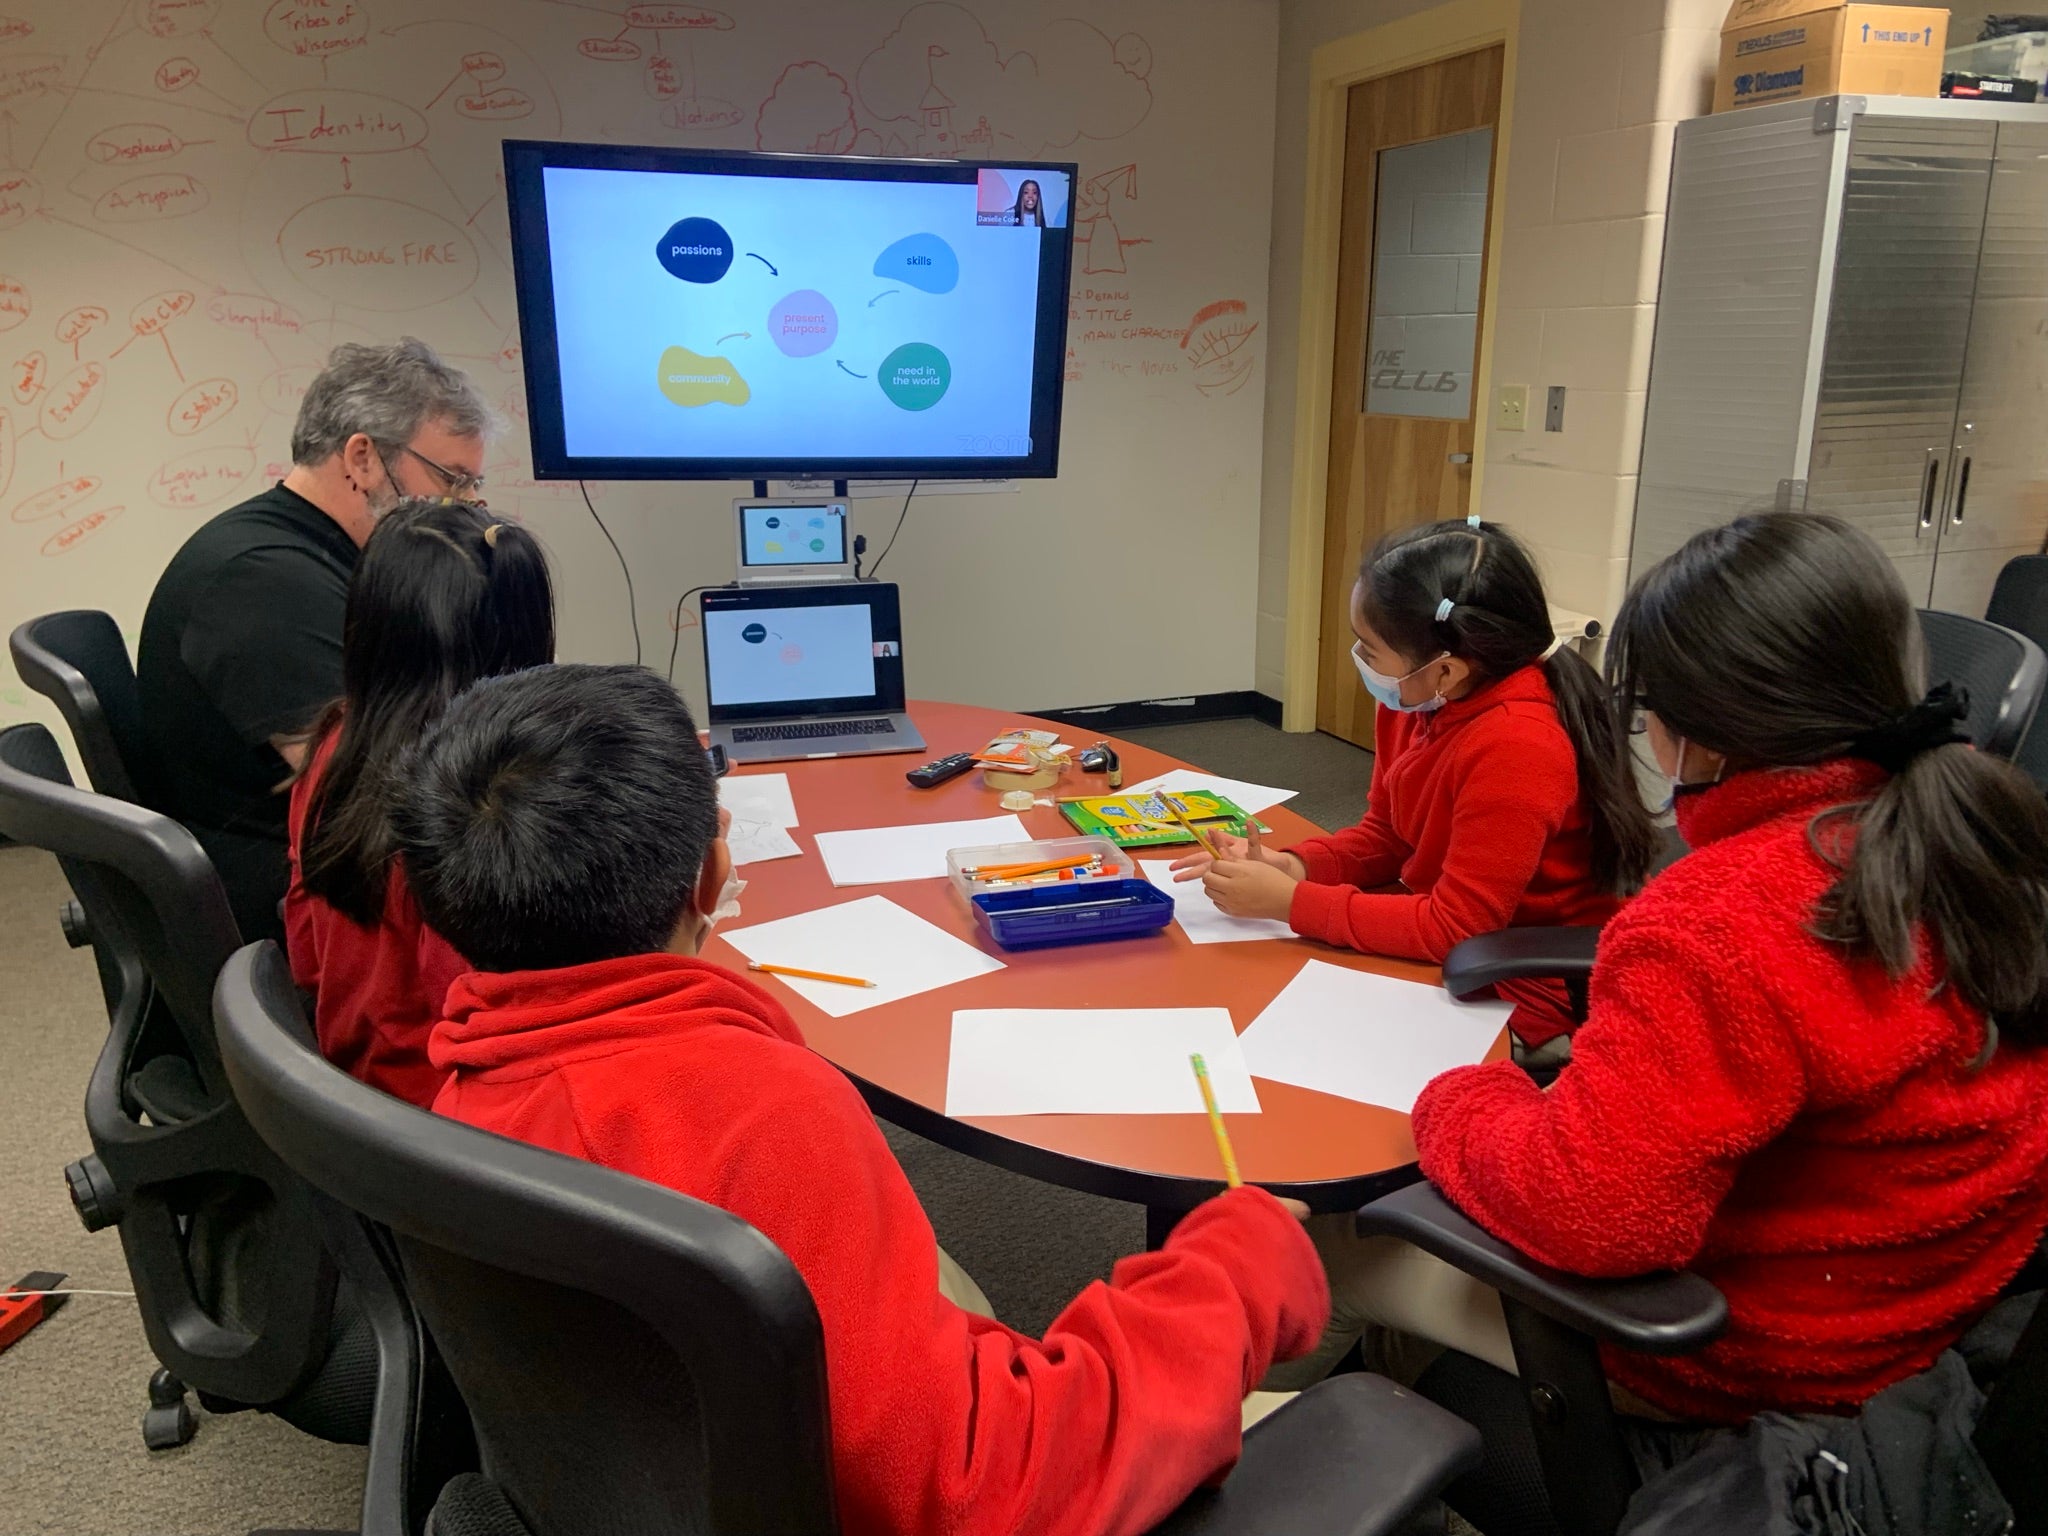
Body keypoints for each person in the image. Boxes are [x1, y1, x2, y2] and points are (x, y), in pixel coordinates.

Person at [391, 663, 1331, 1536]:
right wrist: (1233, 1273)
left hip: (656, 1463)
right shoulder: (765, 1113)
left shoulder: (462, 1088)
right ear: (712, 877)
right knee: (1321, 1419)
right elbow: (980, 1490)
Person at [1318, 513, 2048, 1422]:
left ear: (1693, 737)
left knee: (1324, 1252)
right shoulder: (1975, 827)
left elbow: (1594, 1216)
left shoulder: (1722, 920)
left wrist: (1461, 1095)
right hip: (1929, 1318)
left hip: (1760, 1356)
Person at [1174, 515, 1655, 1052]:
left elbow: (1458, 928)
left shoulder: (1518, 745)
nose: (1360, 661)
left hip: (1516, 980)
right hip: (1442, 936)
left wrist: (1293, 903)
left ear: (1446, 670)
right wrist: (1295, 866)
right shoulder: (1418, 699)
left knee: (1293, 1042)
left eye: (1370, 649)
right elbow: (1390, 835)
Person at [137, 338, 493, 941]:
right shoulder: (261, 580)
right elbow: (367, 791)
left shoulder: (314, 553)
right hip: (300, 905)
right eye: (451, 480)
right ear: (362, 458)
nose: (462, 508)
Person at [284, 498, 553, 1108]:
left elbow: (305, 957)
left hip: (362, 1092)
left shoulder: (333, 748)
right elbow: (507, 1026)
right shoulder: (468, 810)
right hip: (455, 1115)